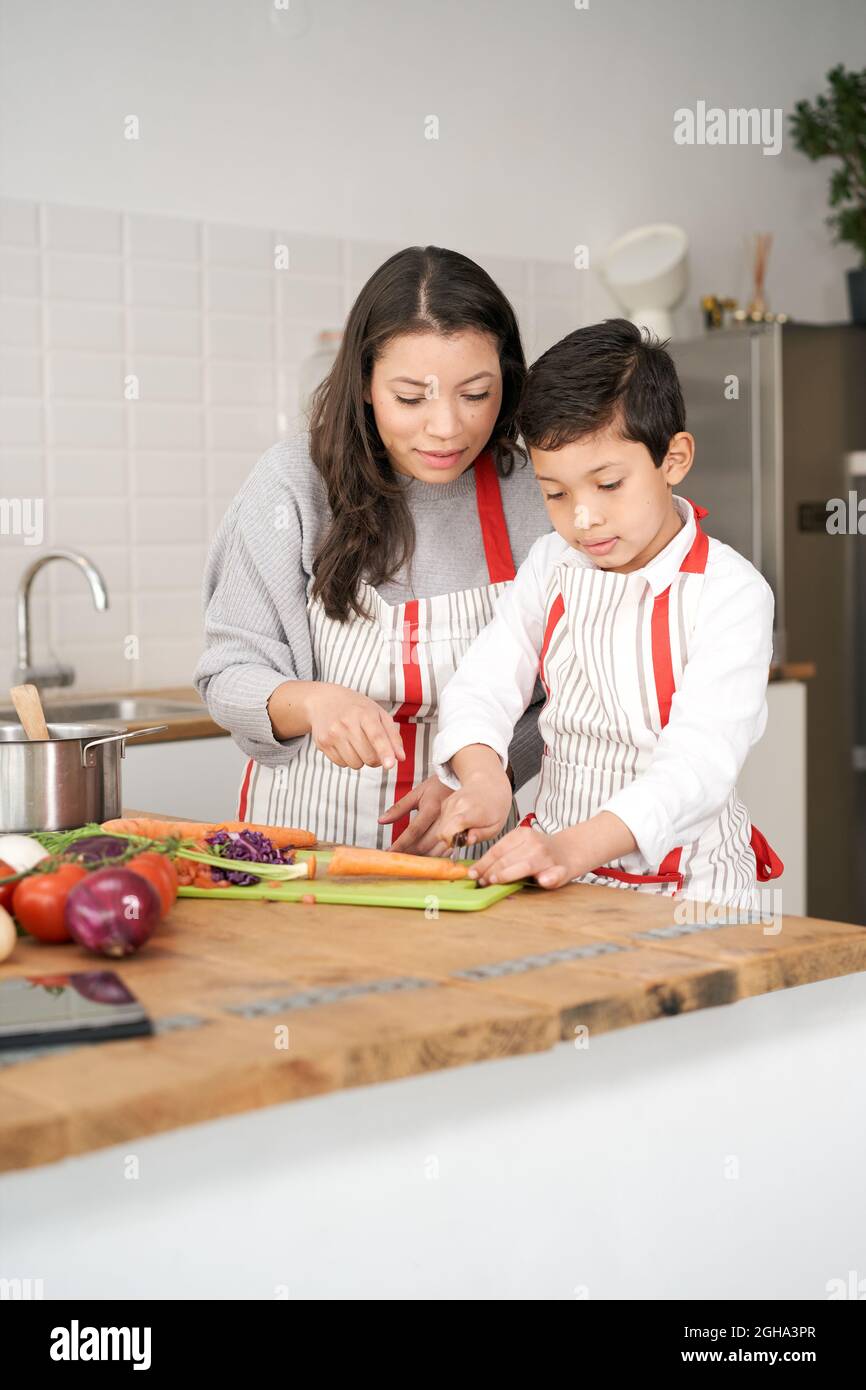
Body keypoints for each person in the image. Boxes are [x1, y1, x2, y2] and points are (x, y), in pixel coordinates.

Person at [194, 246, 551, 856]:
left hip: (469, 856)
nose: (446, 427)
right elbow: (228, 675)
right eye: (412, 397)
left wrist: (481, 773)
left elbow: (565, 693)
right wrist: (312, 701)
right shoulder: (293, 483)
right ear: (363, 383)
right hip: (299, 855)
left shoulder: (537, 495)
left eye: (476, 394)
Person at [430, 318, 783, 908]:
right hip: (560, 880)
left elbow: (697, 767)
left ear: (674, 459)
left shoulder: (730, 592)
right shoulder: (552, 565)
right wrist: (485, 776)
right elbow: (484, 683)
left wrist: (571, 848)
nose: (583, 519)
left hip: (692, 890)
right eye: (556, 494)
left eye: (609, 484)